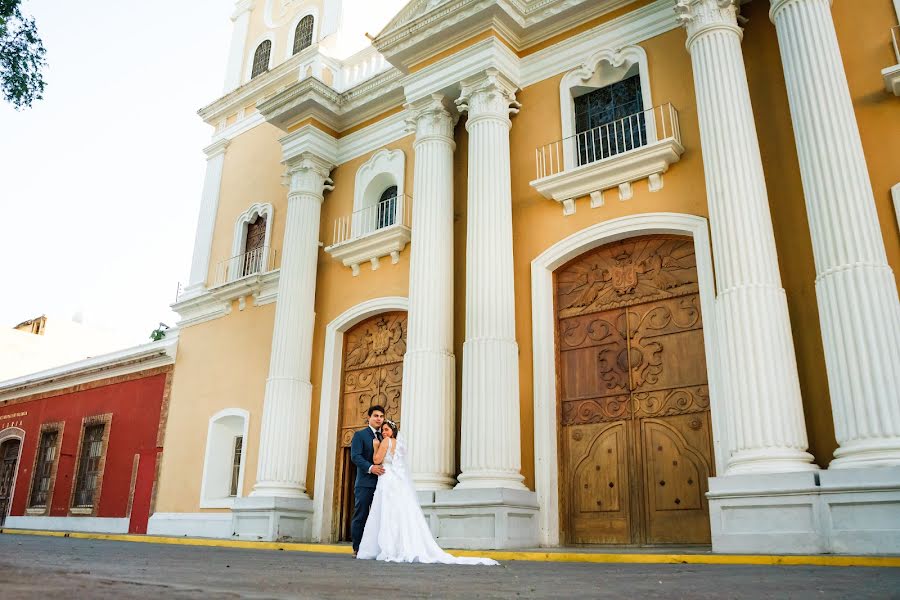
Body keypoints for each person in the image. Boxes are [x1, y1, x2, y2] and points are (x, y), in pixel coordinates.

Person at [356, 419, 498, 565]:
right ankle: (397, 546)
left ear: (393, 431)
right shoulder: (400, 445)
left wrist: (375, 446)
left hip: (387, 478)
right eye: (383, 430)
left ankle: (387, 547)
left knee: (386, 511)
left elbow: (377, 459)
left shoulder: (385, 442)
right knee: (397, 512)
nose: (384, 432)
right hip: (397, 480)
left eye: (387, 429)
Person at [350, 405, 386, 557]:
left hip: (383, 484)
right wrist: (371, 467)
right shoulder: (360, 435)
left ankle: (379, 548)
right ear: (369, 418)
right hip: (365, 483)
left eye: (381, 416)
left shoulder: (385, 436)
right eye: (376, 416)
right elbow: (355, 456)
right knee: (361, 515)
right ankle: (357, 548)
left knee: (381, 517)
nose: (379, 419)